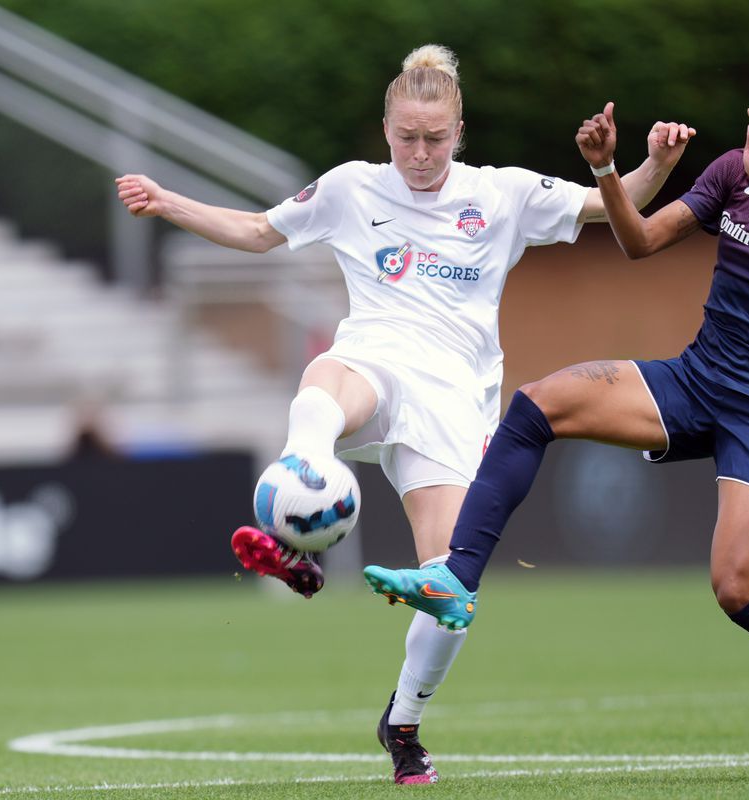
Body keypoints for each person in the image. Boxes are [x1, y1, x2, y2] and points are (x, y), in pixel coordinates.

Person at [364, 47, 749, 781]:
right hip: (697, 378)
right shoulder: (727, 173)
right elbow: (638, 242)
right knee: (536, 405)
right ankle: (457, 577)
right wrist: (608, 173)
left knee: (735, 589)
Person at [115, 44, 694, 784]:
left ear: (460, 132)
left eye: (435, 138)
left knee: (452, 589)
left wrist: (651, 163)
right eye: (405, 137)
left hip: (452, 402)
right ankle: (299, 530)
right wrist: (168, 202)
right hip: (378, 361)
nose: (419, 154)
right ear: (385, 129)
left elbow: (613, 204)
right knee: (324, 382)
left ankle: (404, 721)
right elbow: (260, 232)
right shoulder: (352, 188)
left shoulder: (504, 193)